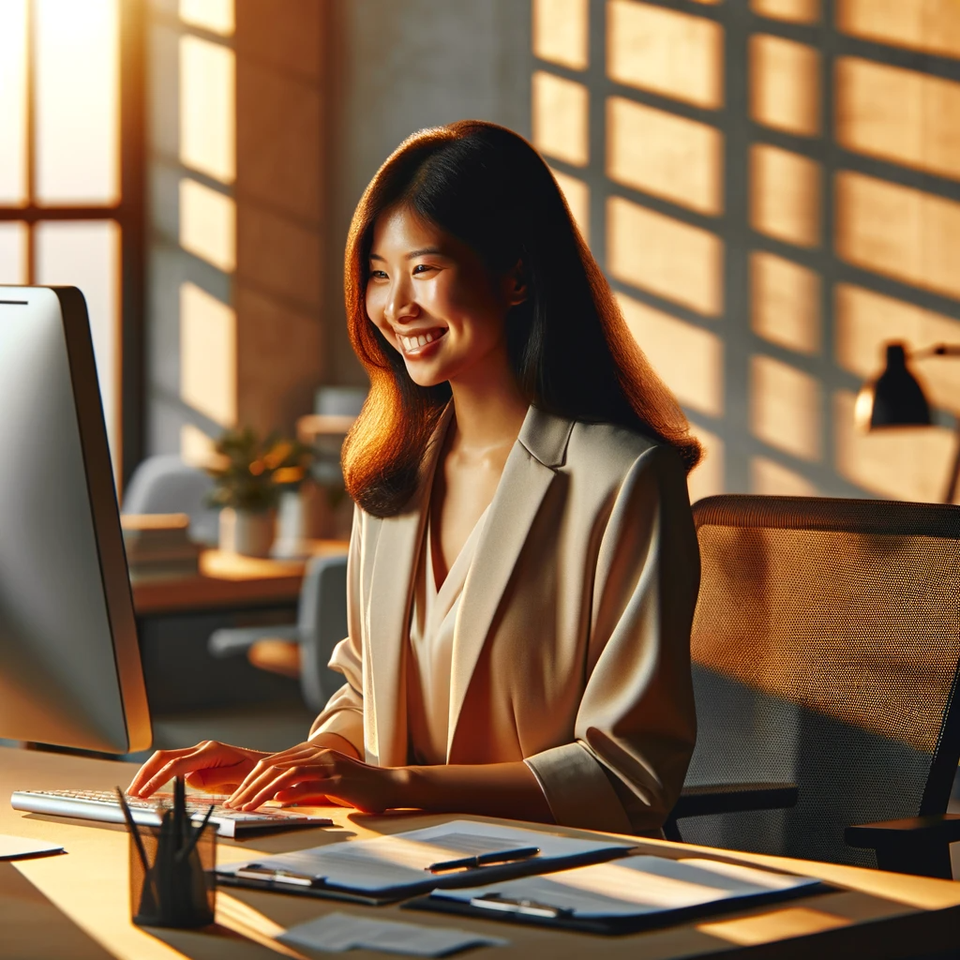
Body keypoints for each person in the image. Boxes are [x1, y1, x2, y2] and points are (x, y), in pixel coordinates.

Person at [128, 120, 703, 836]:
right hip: (401, 858)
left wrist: (394, 786)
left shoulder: (625, 479)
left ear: (516, 275)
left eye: (424, 268)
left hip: (564, 869)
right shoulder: (392, 474)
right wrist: (290, 767)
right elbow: (365, 693)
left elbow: (628, 774)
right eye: (378, 273)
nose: (396, 306)